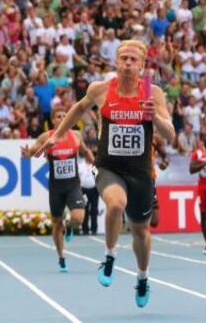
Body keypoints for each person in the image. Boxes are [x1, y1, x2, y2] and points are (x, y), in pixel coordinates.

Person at [38, 40, 175, 308]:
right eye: (123, 58)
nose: (127, 63)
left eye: (133, 60)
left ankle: (143, 276)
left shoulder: (152, 93)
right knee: (115, 204)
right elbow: (78, 108)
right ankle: (110, 256)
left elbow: (170, 134)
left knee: (141, 232)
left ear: (142, 65)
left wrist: (155, 119)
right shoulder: (100, 90)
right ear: (115, 61)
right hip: (109, 167)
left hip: (141, 172)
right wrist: (58, 135)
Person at [20, 106, 94, 273]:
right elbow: (33, 151)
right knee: (56, 223)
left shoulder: (75, 135)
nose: (62, 118)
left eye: (64, 116)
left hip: (73, 185)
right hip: (56, 188)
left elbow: (85, 151)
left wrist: (94, 163)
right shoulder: (47, 137)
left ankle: (70, 227)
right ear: (53, 120)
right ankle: (61, 257)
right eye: (58, 116)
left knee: (78, 217)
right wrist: (27, 153)